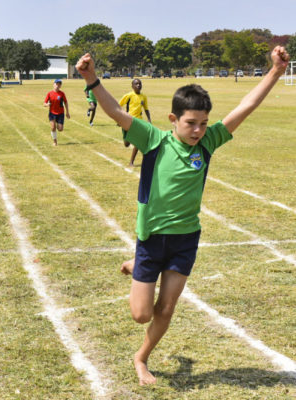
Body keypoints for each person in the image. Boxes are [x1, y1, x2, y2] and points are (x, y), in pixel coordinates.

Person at [75, 46, 289, 387]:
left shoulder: (208, 142)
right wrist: (91, 79)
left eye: (204, 123)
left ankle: (141, 358)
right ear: (174, 119)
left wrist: (275, 72)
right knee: (140, 314)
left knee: (166, 309)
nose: (199, 130)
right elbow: (116, 111)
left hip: (186, 240)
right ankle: (138, 266)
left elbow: (245, 107)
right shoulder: (154, 140)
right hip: (152, 240)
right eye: (191, 123)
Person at [119, 79, 151, 166]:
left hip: (138, 121)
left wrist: (149, 120)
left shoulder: (143, 97)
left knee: (138, 141)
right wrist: (120, 118)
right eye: (136, 84)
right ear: (132, 86)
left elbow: (146, 109)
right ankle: (128, 138)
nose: (138, 85)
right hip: (128, 120)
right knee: (126, 144)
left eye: (140, 84)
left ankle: (131, 162)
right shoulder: (128, 96)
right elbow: (118, 106)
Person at [44, 79, 70, 146]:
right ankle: (55, 141)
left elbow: (66, 102)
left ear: (60, 86)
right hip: (52, 113)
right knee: (53, 127)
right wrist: (47, 105)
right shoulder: (49, 93)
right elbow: (44, 103)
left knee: (60, 129)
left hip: (60, 113)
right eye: (56, 84)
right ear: (53, 84)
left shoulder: (62, 93)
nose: (57, 86)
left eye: (59, 84)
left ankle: (57, 129)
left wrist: (67, 112)